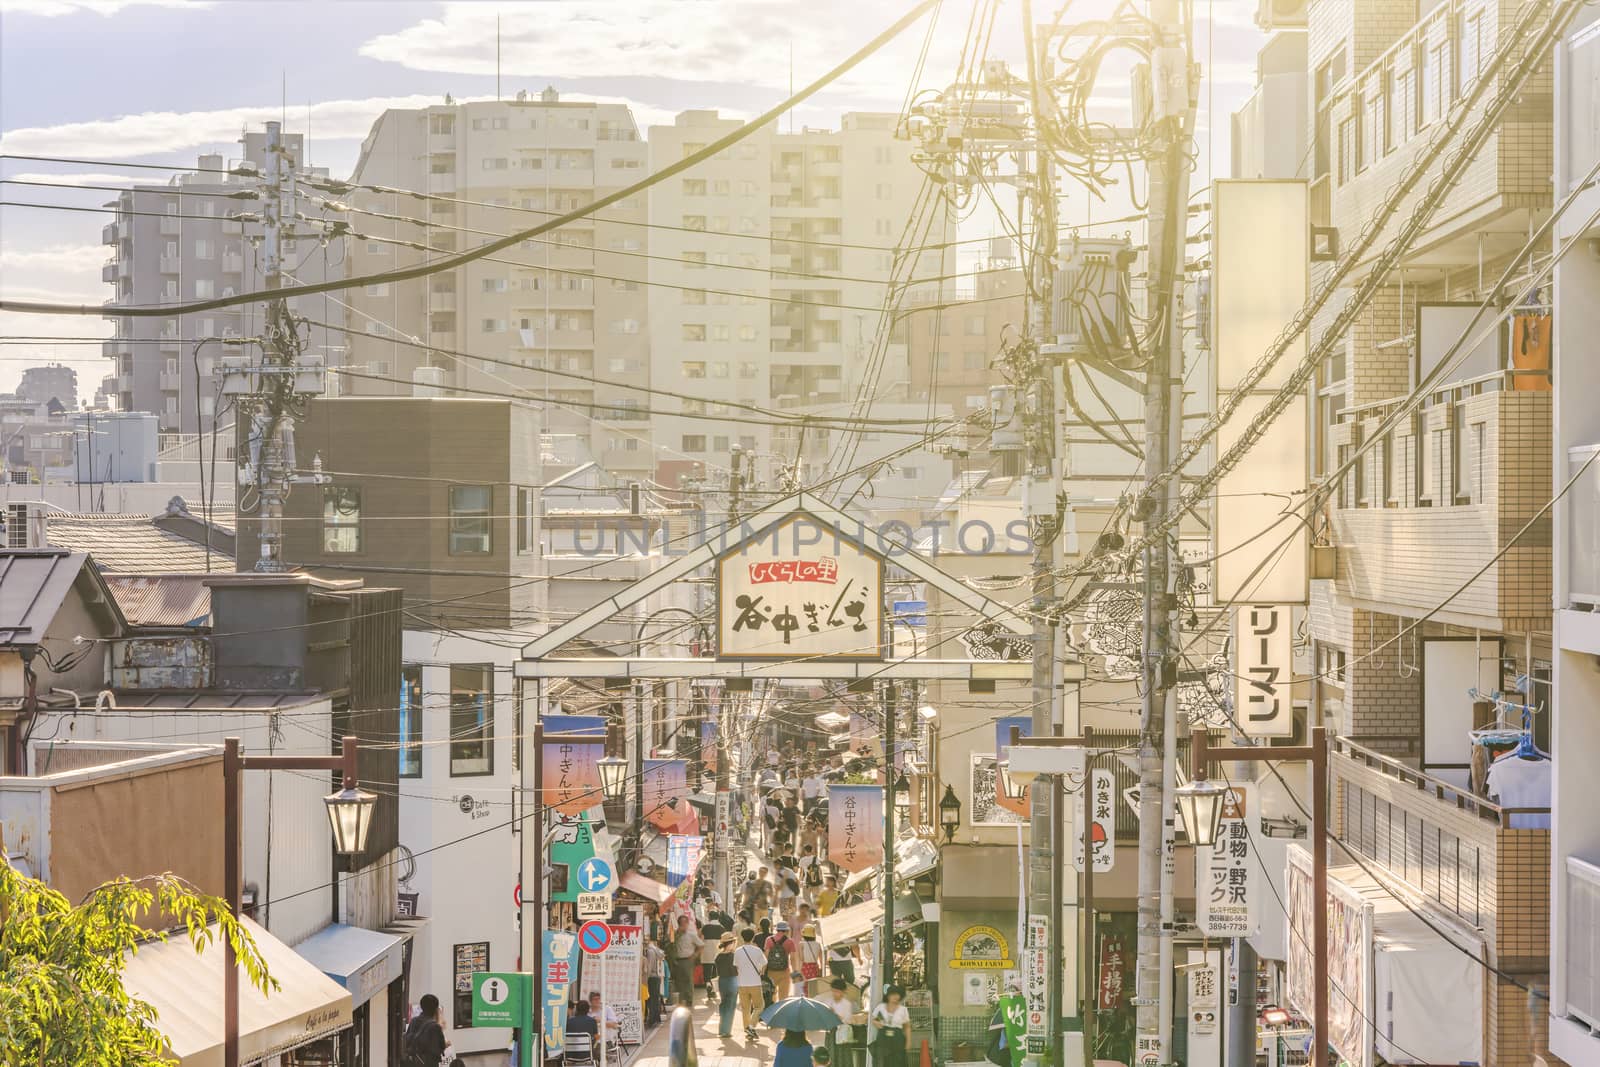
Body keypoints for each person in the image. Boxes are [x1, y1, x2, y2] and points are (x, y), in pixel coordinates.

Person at [733, 928, 769, 1042]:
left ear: (742, 937)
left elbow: (736, 966)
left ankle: (747, 1030)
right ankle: (751, 1026)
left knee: (745, 1008)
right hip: (755, 982)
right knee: (759, 1006)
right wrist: (760, 971)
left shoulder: (738, 951)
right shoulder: (757, 950)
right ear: (753, 937)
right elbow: (764, 963)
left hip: (742, 983)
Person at [401, 993, 448, 1067]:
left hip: (413, 1062)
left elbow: (407, 1040)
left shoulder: (414, 1021)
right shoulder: (435, 1027)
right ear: (435, 1008)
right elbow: (440, 1047)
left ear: (421, 1007)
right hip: (428, 1063)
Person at [668, 914, 704, 1007]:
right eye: (681, 923)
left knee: (688, 979)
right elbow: (670, 945)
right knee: (678, 980)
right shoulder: (675, 935)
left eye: (685, 923)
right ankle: (680, 999)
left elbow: (701, 945)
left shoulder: (691, 935)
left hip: (688, 960)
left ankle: (689, 999)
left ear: (688, 924)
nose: (683, 925)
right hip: (677, 960)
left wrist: (695, 955)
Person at [870, 986, 911, 1067]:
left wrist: (908, 1042)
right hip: (883, 1038)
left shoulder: (903, 1009)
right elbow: (873, 1019)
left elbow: (907, 1027)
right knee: (882, 1062)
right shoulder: (880, 1007)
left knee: (897, 1062)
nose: (896, 997)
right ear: (888, 996)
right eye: (893, 994)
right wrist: (876, 1023)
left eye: (898, 995)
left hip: (897, 1038)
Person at [765, 920, 800, 1001]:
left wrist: (763, 972)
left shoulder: (769, 940)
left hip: (771, 971)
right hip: (785, 971)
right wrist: (795, 971)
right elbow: (792, 959)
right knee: (783, 997)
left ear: (777, 930)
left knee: (772, 995)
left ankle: (773, 1011)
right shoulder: (790, 941)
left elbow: (766, 957)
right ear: (787, 931)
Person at [714, 931, 740, 1038]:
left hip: (722, 981)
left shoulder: (718, 956)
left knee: (724, 1004)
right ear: (731, 943)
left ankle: (722, 1029)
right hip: (732, 981)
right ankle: (726, 1031)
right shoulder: (733, 956)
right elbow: (737, 970)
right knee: (731, 1005)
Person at [825, 978, 856, 1064]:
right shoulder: (828, 1002)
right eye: (833, 991)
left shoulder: (846, 1004)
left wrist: (835, 1014)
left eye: (837, 991)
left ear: (842, 992)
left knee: (843, 1057)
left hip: (842, 1033)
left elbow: (847, 1020)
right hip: (831, 1031)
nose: (835, 993)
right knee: (831, 1056)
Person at [643, 936, 666, 1026]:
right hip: (657, 977)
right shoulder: (656, 950)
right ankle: (656, 1018)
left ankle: (652, 1019)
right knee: (655, 998)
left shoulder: (650, 952)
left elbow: (649, 966)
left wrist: (646, 978)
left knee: (652, 999)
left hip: (652, 977)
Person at [799, 924, 825, 988]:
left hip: (805, 967)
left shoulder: (801, 944)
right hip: (814, 967)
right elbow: (821, 959)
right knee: (814, 987)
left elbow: (801, 958)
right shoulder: (818, 944)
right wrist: (821, 970)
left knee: (805, 987)